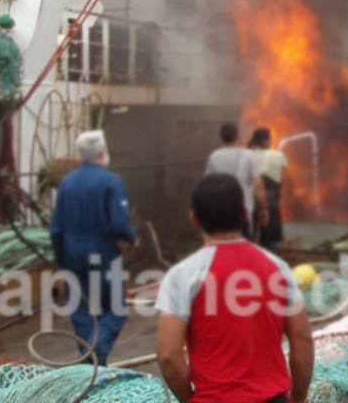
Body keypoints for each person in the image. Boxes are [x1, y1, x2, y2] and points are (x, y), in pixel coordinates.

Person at [156, 174, 314, 403]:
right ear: (244, 215)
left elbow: (168, 355)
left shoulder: (183, 275)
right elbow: (302, 340)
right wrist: (298, 398)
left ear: (194, 219)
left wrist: (189, 398)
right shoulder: (277, 268)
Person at [50, 130, 138, 366]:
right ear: (102, 152)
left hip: (71, 255)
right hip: (103, 253)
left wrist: (61, 263)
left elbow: (56, 229)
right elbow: (120, 222)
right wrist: (131, 238)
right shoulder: (111, 182)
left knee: (81, 310)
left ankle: (89, 362)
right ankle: (97, 352)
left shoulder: (66, 183)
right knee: (117, 308)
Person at [205, 122, 268, 239]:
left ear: (222, 137)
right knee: (242, 247)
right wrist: (264, 208)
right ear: (237, 136)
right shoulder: (249, 155)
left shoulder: (214, 156)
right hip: (242, 211)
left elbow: (208, 185)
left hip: (220, 211)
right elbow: (258, 185)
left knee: (223, 247)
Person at [249, 127, 289, 252]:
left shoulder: (247, 155)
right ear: (266, 141)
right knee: (271, 237)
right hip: (271, 199)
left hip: (250, 198)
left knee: (250, 233)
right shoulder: (278, 155)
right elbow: (284, 176)